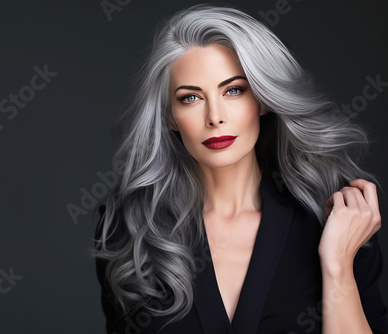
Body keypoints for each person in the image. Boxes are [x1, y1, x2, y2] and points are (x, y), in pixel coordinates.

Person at [94, 4, 387, 333]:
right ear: (169, 117)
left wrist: (337, 265)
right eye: (191, 98)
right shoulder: (130, 228)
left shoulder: (337, 218)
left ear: (262, 99)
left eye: (234, 90)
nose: (215, 116)